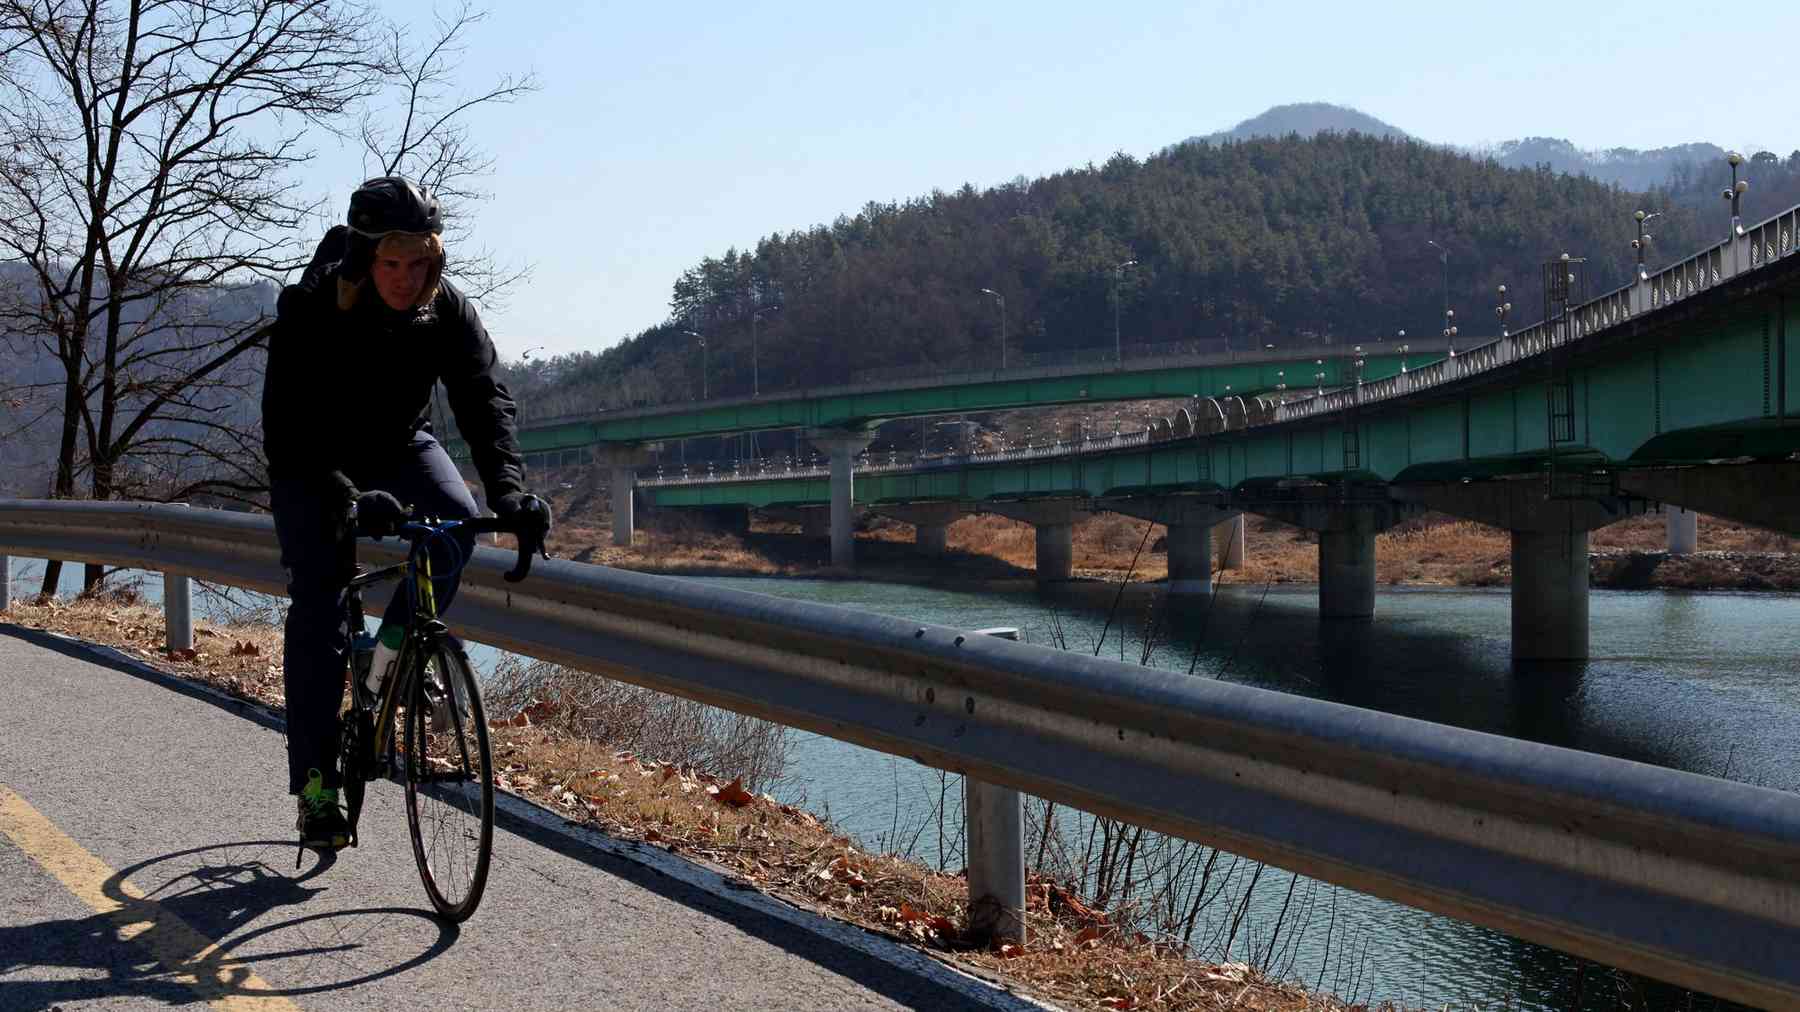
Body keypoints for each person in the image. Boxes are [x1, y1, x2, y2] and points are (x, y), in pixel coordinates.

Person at [263, 175, 551, 850]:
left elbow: (483, 399)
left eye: (418, 262)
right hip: (313, 458)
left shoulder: (444, 307)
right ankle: (315, 786)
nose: (404, 277)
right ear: (367, 256)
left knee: (455, 527)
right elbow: (287, 421)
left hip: (398, 443)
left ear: (434, 258)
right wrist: (342, 490)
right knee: (318, 601)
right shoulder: (313, 304)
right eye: (391, 263)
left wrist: (508, 492)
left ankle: (389, 659)